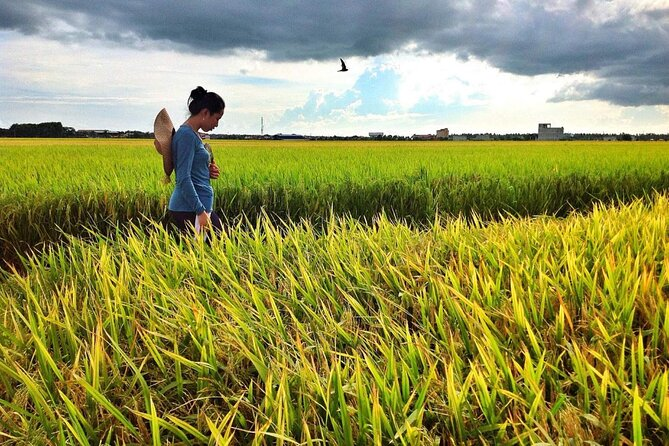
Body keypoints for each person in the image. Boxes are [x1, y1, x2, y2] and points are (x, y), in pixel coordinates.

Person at [168, 86, 225, 236]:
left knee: (213, 253)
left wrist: (207, 171)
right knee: (220, 249)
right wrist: (200, 211)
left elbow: (192, 170)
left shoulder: (193, 135)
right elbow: (183, 178)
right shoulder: (186, 136)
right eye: (217, 118)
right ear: (205, 112)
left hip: (195, 207)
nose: (217, 124)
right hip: (189, 209)